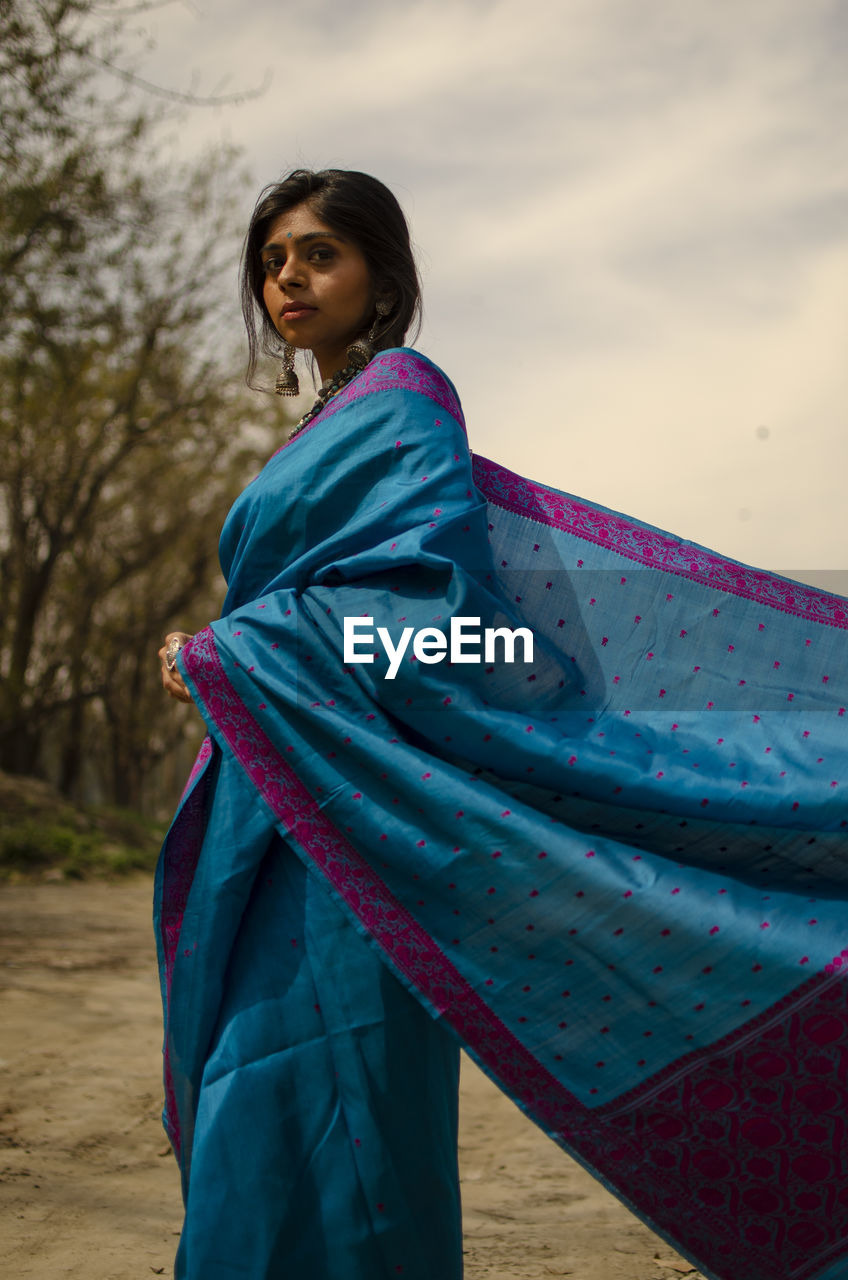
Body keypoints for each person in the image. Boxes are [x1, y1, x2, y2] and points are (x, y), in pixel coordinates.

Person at [157, 168, 848, 1280]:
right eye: (273, 257)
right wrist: (235, 658)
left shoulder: (400, 399)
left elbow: (439, 627)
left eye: (320, 251)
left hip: (349, 818)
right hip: (275, 804)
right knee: (257, 1086)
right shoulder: (320, 427)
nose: (289, 274)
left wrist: (236, 647)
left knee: (341, 1105)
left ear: (382, 276)